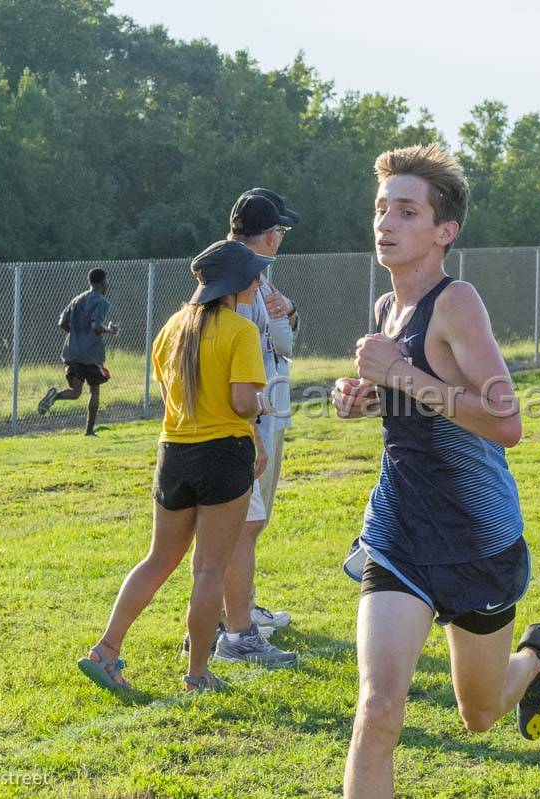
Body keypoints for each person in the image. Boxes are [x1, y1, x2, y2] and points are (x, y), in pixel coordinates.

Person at [332, 144, 540, 799]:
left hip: (476, 539)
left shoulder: (456, 303)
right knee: (377, 707)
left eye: (406, 211)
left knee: (479, 713)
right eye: (381, 209)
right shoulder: (385, 308)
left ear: (444, 230)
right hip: (399, 529)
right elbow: (413, 397)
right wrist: (367, 395)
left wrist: (398, 374)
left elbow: (505, 421)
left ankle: (535, 660)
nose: (386, 223)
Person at [77, 240, 271, 694]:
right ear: (235, 283)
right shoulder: (240, 332)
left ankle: (106, 650)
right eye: (253, 274)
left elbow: (170, 399)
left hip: (174, 454)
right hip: (223, 455)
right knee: (209, 570)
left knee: (158, 560)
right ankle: (198, 674)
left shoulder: (171, 328)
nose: (259, 281)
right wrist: (265, 403)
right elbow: (243, 402)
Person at [208, 188, 304, 668]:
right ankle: (232, 625)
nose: (280, 238)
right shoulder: (239, 275)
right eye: (280, 230)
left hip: (258, 414)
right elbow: (239, 352)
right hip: (247, 417)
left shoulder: (255, 275)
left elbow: (279, 340)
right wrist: (249, 427)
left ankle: (235, 612)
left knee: (246, 524)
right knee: (239, 526)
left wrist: (287, 311)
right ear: (270, 234)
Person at [37, 268, 120, 435]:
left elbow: (61, 323)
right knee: (94, 390)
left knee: (75, 392)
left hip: (72, 352)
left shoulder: (76, 299)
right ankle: (89, 430)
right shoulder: (102, 301)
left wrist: (76, 334)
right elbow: (95, 326)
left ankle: (55, 397)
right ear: (103, 282)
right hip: (90, 355)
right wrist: (110, 330)